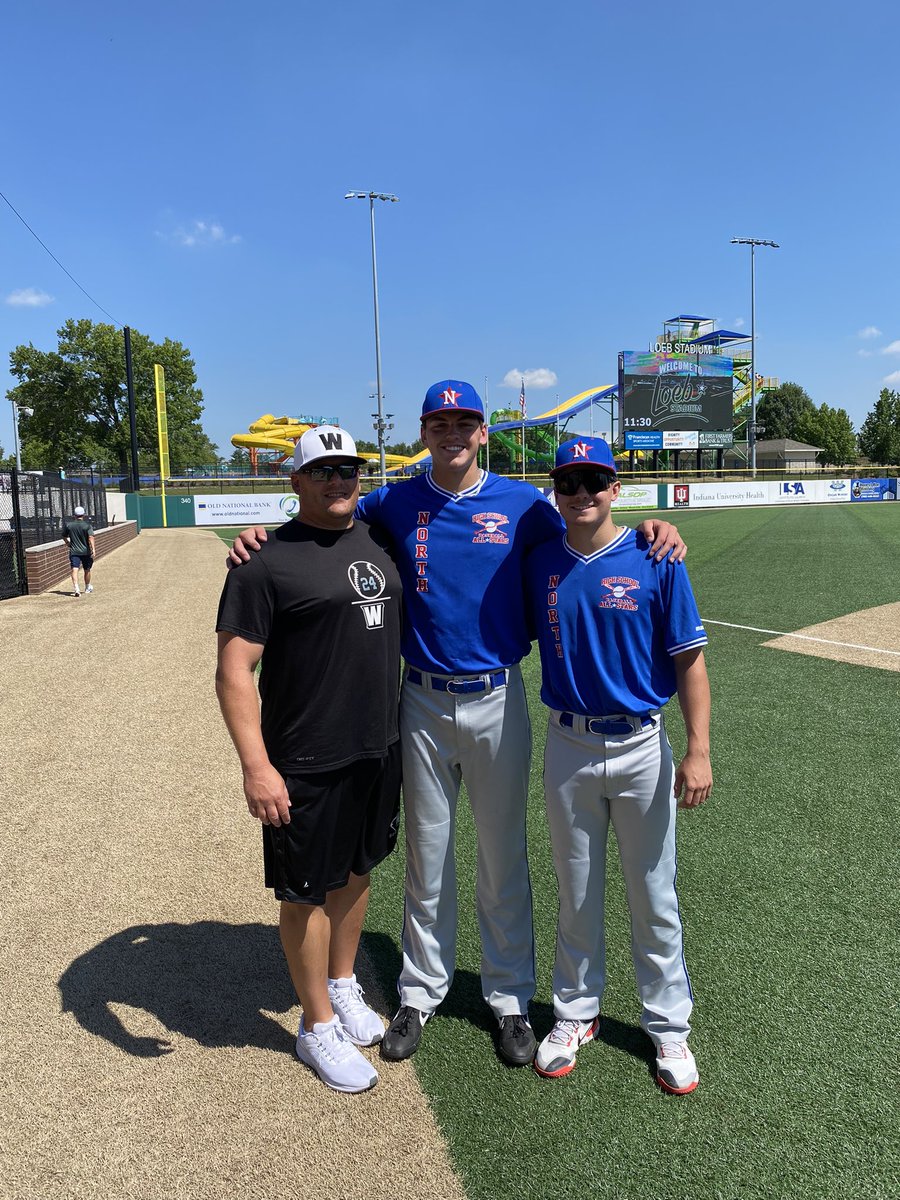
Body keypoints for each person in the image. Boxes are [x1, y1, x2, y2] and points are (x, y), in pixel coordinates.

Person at [229, 382, 686, 1068]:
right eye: (439, 421)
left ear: (482, 432)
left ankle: (508, 998)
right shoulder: (392, 501)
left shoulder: (525, 506)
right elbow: (323, 517)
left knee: (502, 854)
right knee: (426, 854)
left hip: (496, 695)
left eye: (464, 421)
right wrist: (260, 531)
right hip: (418, 699)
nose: (451, 431)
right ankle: (420, 990)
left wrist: (659, 526)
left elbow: (592, 531)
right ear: (425, 430)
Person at [215, 425, 403, 1094]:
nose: (337, 479)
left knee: (355, 874)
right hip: (303, 758)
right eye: (321, 470)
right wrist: (256, 767)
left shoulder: (378, 537)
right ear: (294, 482)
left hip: (378, 746)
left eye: (347, 467)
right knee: (304, 895)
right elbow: (234, 670)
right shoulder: (264, 561)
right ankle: (315, 1024)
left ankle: (343, 985)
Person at [524, 436, 711, 1092]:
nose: (582, 493)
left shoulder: (656, 555)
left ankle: (668, 1026)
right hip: (569, 745)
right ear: (556, 490)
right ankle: (576, 1013)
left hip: (640, 747)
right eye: (569, 482)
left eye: (594, 481)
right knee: (575, 892)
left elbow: (689, 661)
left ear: (616, 487)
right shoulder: (540, 561)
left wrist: (698, 750)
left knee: (653, 893)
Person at [63, 505, 95, 596]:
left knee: (74, 569)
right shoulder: (87, 526)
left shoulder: (69, 525)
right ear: (83, 515)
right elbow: (91, 537)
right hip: (86, 551)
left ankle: (76, 589)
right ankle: (87, 587)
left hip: (74, 551)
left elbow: (64, 536)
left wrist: (67, 543)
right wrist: (93, 549)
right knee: (87, 569)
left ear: (74, 515)